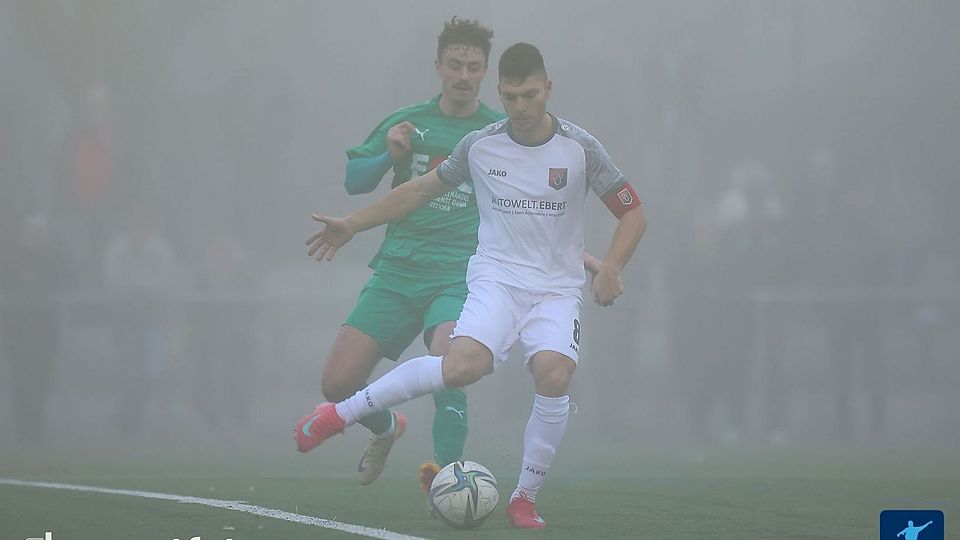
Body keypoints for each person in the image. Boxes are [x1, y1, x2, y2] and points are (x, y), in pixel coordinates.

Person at [297, 42, 646, 529]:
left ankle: (524, 497)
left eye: (529, 95)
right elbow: (418, 190)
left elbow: (632, 210)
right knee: (460, 367)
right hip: (496, 280)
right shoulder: (480, 144)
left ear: (547, 89)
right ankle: (342, 414)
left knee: (553, 374)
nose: (521, 108)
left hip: (555, 290)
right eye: (510, 97)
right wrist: (353, 225)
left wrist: (610, 265)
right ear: (500, 94)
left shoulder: (580, 147)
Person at [300, 17, 504, 494]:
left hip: (459, 275)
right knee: (335, 387)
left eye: (473, 67)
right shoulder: (409, 121)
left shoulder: (496, 133)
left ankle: (448, 478)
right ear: (438, 66)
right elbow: (355, 182)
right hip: (396, 271)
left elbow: (524, 202)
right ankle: (387, 427)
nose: (463, 74)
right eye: (455, 64)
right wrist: (390, 156)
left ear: (484, 72)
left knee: (449, 366)